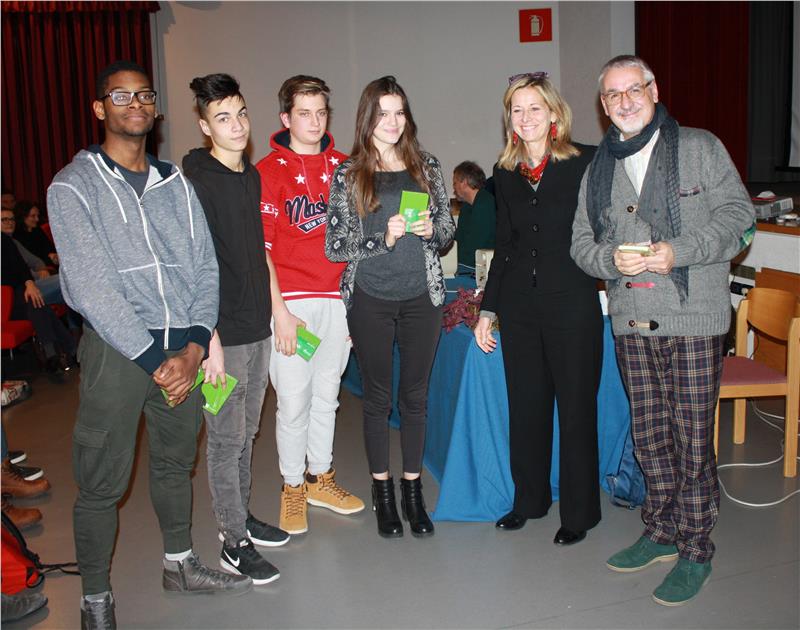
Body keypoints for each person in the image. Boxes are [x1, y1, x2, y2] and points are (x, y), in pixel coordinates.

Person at [47, 60, 251, 630]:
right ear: (99, 108)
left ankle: (179, 565)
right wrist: (151, 359)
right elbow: (90, 285)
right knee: (100, 481)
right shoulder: (74, 185)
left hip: (183, 351)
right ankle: (95, 599)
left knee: (174, 464)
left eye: (144, 95)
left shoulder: (175, 183)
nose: (134, 103)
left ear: (155, 108)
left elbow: (204, 267)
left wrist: (193, 347)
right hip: (117, 355)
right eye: (120, 95)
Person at [570, 55, 755, 606]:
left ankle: (696, 547)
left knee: (692, 438)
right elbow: (580, 244)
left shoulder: (700, 147)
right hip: (631, 319)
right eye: (612, 95)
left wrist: (680, 250)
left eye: (634, 90)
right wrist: (610, 259)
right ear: (603, 105)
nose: (624, 102)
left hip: (692, 318)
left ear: (653, 90)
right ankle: (661, 530)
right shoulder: (597, 168)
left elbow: (740, 218)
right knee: (649, 436)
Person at [473, 72, 603, 546]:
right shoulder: (504, 172)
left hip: (572, 304)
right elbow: (504, 246)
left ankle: (579, 513)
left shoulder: (585, 161)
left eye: (534, 108)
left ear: (553, 114)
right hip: (520, 309)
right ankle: (530, 500)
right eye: (517, 109)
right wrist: (488, 310)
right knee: (526, 408)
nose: (525, 117)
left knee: (575, 410)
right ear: (508, 118)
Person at [326, 76, 455, 538]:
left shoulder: (427, 166)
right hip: (371, 299)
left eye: (399, 113)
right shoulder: (348, 174)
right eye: (383, 114)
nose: (393, 122)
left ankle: (412, 491)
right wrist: (383, 238)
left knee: (415, 398)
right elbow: (335, 246)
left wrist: (431, 232)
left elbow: (446, 232)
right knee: (378, 399)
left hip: (422, 297)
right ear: (367, 118)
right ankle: (383, 492)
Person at [183, 73, 287, 585]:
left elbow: (257, 251)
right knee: (225, 440)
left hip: (257, 329)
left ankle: (240, 516)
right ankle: (232, 542)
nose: (237, 125)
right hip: (220, 338)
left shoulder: (250, 176)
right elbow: (192, 266)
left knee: (247, 432)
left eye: (241, 113)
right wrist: (210, 343)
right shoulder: (196, 182)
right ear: (205, 126)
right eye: (223, 118)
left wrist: (277, 311)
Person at [256, 75, 364, 536]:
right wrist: (278, 312)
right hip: (294, 306)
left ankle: (320, 477)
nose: (315, 122)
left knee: (327, 397)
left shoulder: (346, 168)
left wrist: (356, 308)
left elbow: (359, 244)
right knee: (294, 400)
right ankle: (293, 485)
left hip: (337, 302)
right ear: (286, 117)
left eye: (321, 112)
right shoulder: (267, 171)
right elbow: (260, 249)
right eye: (304, 113)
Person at [1, 230, 76, 378]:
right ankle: (69, 350)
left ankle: (53, 354)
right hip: (4, 302)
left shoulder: (3, 239)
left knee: (35, 301)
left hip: (15, 295)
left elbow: (21, 266)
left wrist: (29, 284)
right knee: (38, 304)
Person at [1, 208, 65, 307]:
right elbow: (17, 273)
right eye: (4, 220)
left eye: (12, 219)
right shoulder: (6, 243)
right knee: (66, 281)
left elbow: (35, 261)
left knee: (68, 291)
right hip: (20, 289)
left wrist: (42, 269)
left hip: (32, 282)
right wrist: (37, 275)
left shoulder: (14, 241)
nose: (10, 222)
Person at [452, 161, 496, 270]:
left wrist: (453, 264)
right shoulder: (467, 206)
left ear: (464, 182)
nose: (454, 188)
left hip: (480, 268)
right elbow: (459, 240)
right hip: (469, 266)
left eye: (455, 183)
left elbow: (475, 247)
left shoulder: (485, 204)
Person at [13, 201, 59, 267]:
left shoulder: (37, 230)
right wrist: (50, 257)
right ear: (22, 217)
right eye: (33, 216)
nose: (37, 219)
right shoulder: (16, 234)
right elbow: (29, 258)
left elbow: (50, 247)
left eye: (37, 215)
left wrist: (54, 255)